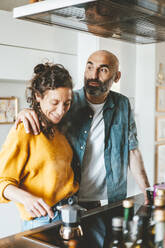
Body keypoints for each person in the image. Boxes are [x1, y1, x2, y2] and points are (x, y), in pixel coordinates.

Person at [15, 50, 150, 246]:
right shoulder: (68, 102)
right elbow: (43, 117)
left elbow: (133, 150)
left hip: (108, 203)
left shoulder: (122, 104)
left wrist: (147, 190)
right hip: (68, 205)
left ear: (116, 76)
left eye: (103, 69)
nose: (93, 75)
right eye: (89, 67)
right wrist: (25, 111)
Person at [0, 63, 79, 231]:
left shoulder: (59, 128)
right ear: (38, 96)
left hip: (70, 211)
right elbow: (2, 182)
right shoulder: (24, 129)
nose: (61, 110)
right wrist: (26, 198)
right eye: (54, 102)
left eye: (67, 103)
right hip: (43, 219)